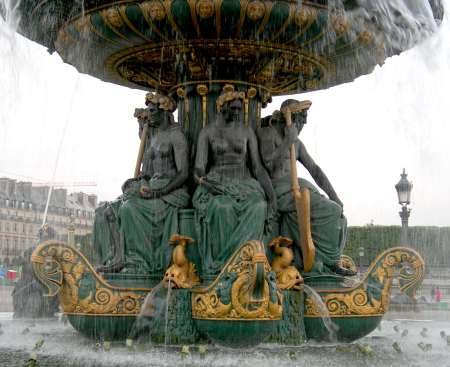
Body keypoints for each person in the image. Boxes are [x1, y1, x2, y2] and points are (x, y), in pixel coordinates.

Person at [256, 99, 354, 276]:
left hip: (296, 190)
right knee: (330, 211)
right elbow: (267, 165)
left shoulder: (298, 144)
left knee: (337, 211)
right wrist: (288, 140)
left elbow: (315, 170)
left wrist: (334, 195)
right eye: (301, 120)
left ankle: (328, 261)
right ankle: (327, 262)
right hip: (276, 189)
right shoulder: (268, 134)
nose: (303, 125)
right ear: (290, 118)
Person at [193, 89, 277, 276]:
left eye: (240, 109)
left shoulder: (246, 131)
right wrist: (205, 183)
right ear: (222, 107)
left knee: (258, 207)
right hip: (217, 181)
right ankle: (224, 265)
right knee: (222, 207)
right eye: (234, 109)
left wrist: (272, 198)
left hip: (245, 182)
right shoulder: (207, 132)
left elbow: (258, 168)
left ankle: (247, 263)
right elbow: (198, 168)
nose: (239, 113)